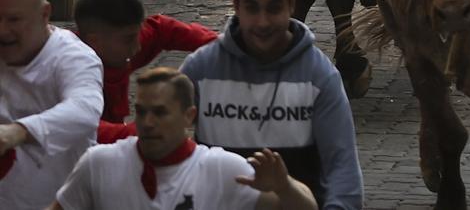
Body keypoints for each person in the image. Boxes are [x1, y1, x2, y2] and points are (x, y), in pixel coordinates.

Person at [180, 0, 363, 210]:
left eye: (274, 8)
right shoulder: (200, 69)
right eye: (252, 8)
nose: (262, 22)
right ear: (235, 5)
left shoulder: (320, 77)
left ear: (291, 4)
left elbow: (343, 172)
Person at [52, 67, 318, 210]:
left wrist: (284, 186)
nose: (147, 123)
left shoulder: (222, 170)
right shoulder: (99, 163)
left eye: (160, 113)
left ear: (189, 116)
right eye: (142, 112)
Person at [0, 0, 103, 210]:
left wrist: (20, 131)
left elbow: (85, 109)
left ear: (44, 14)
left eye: (13, 20)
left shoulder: (74, 57)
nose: (2, 30)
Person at [72, 0, 217, 143]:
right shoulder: (67, 69)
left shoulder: (121, 43)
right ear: (94, 41)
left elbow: (163, 29)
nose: (137, 46)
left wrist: (219, 47)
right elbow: (78, 128)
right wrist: (142, 130)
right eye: (129, 39)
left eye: (137, 35)